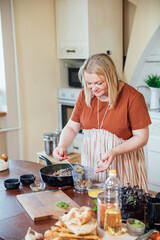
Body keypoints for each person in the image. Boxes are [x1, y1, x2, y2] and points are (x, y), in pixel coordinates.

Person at [53, 53, 151, 192]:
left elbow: (142, 137)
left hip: (122, 166)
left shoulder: (133, 98)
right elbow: (72, 127)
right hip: (92, 166)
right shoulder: (84, 95)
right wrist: (62, 145)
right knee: (92, 205)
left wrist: (114, 151)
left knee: (123, 208)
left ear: (111, 78)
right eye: (89, 83)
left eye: (99, 83)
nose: (94, 88)